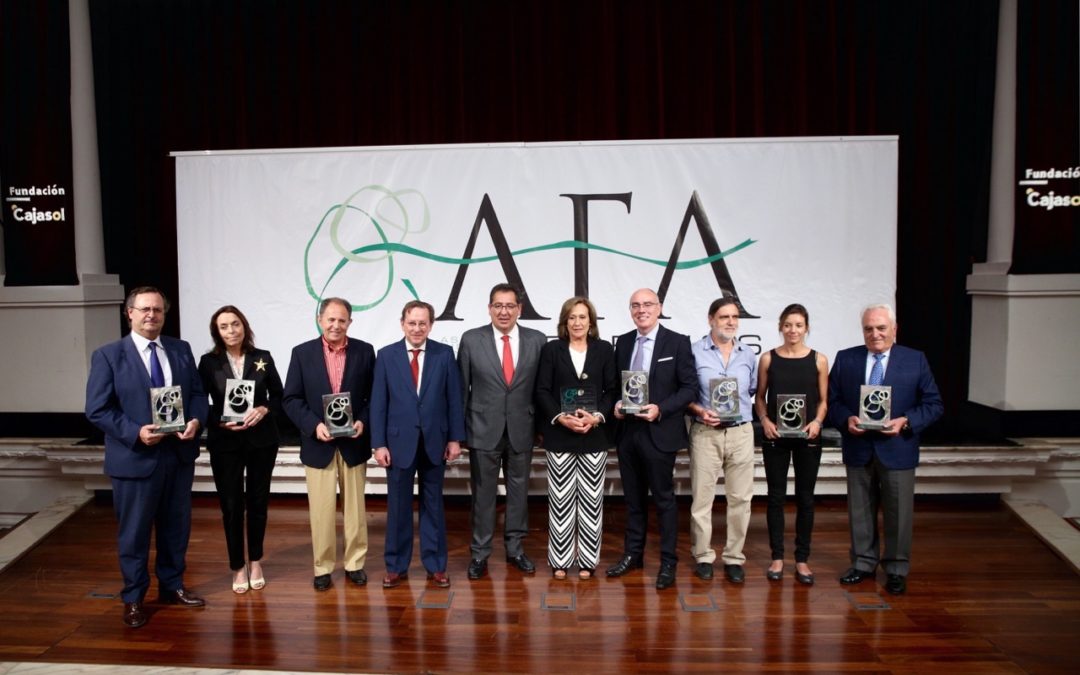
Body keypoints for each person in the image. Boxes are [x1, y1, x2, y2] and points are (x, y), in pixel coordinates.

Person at [85, 286, 208, 628]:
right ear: (130, 313)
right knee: (135, 533)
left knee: (175, 528)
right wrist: (135, 432)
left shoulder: (180, 349)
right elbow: (97, 410)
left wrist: (196, 421)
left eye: (158, 310)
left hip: (177, 455)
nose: (152, 315)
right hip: (135, 457)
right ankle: (134, 597)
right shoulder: (108, 355)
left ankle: (172, 586)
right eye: (145, 309)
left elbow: (197, 394)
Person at [828, 303, 943, 595]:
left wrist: (907, 421)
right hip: (859, 446)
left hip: (898, 447)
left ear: (894, 329)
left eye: (881, 328)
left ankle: (896, 568)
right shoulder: (846, 359)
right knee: (860, 510)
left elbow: (934, 404)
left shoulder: (915, 360)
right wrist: (846, 419)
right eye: (869, 328)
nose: (875, 334)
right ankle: (863, 563)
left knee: (899, 513)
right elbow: (832, 401)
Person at [606, 288, 697, 590]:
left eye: (647, 304)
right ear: (630, 310)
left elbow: (688, 389)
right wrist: (616, 406)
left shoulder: (678, 342)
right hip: (628, 433)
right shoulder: (623, 342)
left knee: (664, 500)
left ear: (659, 308)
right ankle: (634, 555)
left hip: (659, 432)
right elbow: (615, 388)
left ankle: (668, 562)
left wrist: (661, 409)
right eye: (635, 305)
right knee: (633, 500)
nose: (641, 310)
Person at [371, 300, 466, 589]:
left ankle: (436, 565)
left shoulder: (444, 354)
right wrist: (378, 444)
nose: (417, 328)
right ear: (402, 323)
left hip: (435, 442)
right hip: (398, 444)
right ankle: (396, 566)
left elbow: (454, 400)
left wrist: (454, 438)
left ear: (431, 325)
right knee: (397, 507)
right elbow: (378, 403)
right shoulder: (386, 356)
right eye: (412, 323)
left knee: (433, 506)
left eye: (422, 323)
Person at [282, 297, 375, 591]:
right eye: (331, 319)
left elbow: (374, 396)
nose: (336, 325)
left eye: (342, 320)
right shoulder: (302, 353)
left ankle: (355, 564)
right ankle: (322, 567)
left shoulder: (364, 351)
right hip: (318, 443)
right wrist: (314, 425)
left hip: (353, 443)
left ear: (350, 322)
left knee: (355, 510)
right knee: (320, 510)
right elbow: (290, 399)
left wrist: (362, 420)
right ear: (320, 320)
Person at [458, 283, 547, 580]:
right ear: (489, 308)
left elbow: (541, 390)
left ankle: (515, 549)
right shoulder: (472, 340)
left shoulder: (537, 340)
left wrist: (544, 427)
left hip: (523, 428)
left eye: (510, 306)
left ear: (520, 309)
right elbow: (462, 390)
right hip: (483, 429)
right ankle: (480, 553)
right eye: (498, 305)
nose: (504, 311)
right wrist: (458, 434)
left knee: (519, 493)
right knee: (483, 494)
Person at [197, 305, 283, 594]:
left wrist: (263, 408)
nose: (231, 331)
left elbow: (280, 397)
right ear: (216, 332)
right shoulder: (208, 362)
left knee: (258, 503)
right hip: (226, 444)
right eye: (224, 326)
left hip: (261, 441)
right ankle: (237, 565)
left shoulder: (263, 358)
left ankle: (256, 560)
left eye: (235, 324)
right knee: (231, 506)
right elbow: (199, 402)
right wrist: (219, 421)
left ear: (244, 326)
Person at [534, 297, 618, 580]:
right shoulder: (551, 350)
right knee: (560, 501)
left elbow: (612, 390)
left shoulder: (605, 350)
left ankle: (588, 561)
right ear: (564, 322)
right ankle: (559, 560)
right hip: (560, 435)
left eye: (582, 317)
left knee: (592, 502)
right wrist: (560, 417)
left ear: (591, 322)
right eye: (572, 317)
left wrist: (597, 416)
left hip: (594, 435)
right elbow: (542, 390)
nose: (577, 322)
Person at [754, 303, 828, 585]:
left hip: (808, 437)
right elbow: (760, 397)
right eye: (787, 325)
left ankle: (802, 560)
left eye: (798, 325)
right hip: (776, 437)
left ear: (806, 327)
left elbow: (823, 401)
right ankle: (777, 557)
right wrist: (765, 420)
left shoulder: (819, 360)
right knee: (775, 498)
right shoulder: (768, 359)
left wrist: (818, 422)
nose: (793, 330)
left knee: (806, 499)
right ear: (780, 327)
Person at [685, 296, 757, 585]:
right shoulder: (693, 352)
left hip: (740, 432)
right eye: (724, 317)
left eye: (734, 317)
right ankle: (703, 556)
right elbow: (686, 392)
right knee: (702, 499)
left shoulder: (748, 354)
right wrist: (701, 410)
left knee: (740, 498)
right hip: (706, 432)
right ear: (711, 319)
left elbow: (751, 390)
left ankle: (734, 557)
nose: (730, 322)